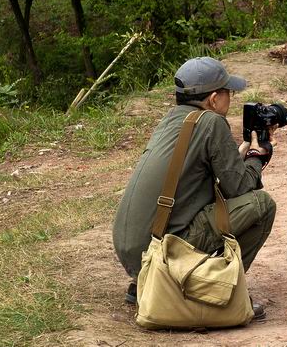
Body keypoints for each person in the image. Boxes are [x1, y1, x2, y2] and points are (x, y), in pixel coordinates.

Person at [113, 56, 277, 318]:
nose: (230, 98)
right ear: (213, 99)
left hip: (133, 248)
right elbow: (240, 188)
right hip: (160, 248)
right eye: (228, 92)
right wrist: (258, 158)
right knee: (262, 205)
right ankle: (218, 291)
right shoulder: (212, 122)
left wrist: (236, 156)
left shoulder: (172, 120)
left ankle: (144, 282)